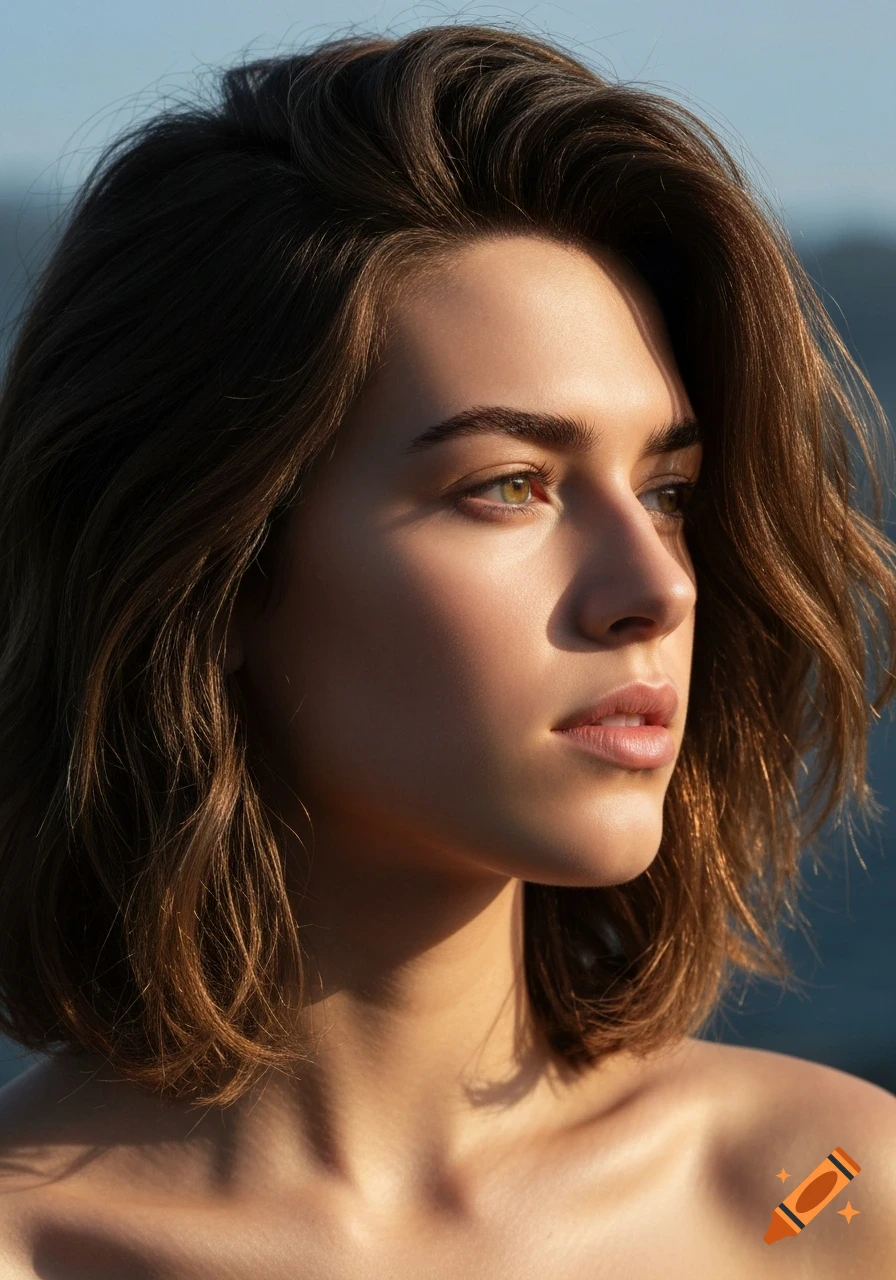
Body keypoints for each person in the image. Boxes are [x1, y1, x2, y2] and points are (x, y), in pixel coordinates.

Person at [0, 23, 894, 1278]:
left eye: (667, 490)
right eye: (509, 485)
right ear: (213, 569)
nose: (653, 588)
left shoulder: (827, 1194)